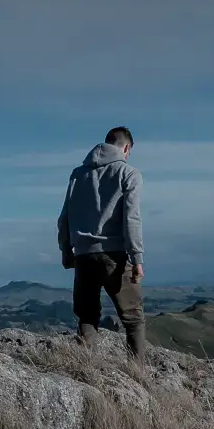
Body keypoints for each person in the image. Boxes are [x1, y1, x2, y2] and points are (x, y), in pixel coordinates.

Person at [57, 126, 147, 357]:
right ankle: (138, 374)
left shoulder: (78, 174)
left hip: (84, 255)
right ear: (126, 148)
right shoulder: (128, 173)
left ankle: (86, 369)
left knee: (87, 317)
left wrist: (67, 251)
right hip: (114, 255)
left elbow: (64, 218)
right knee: (134, 319)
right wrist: (137, 258)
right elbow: (132, 218)